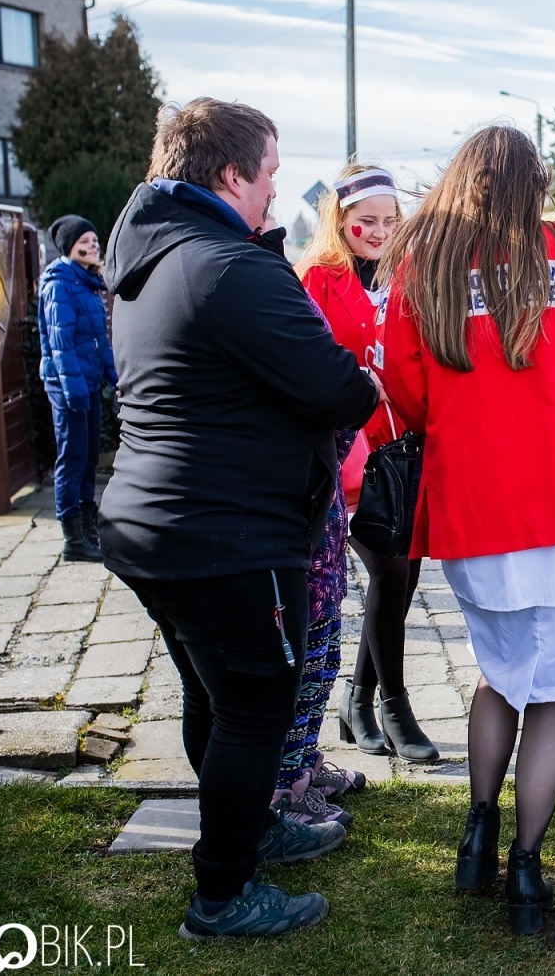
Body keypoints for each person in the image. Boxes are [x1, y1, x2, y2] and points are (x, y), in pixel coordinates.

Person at [99, 98, 379, 940]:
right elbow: (341, 388)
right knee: (256, 711)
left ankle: (253, 830)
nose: (275, 192)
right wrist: (357, 386)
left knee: (216, 700)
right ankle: (222, 895)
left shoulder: (150, 254)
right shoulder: (227, 265)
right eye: (269, 174)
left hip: (155, 523)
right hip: (227, 534)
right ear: (230, 175)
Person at [377, 125, 555, 936]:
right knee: (550, 697)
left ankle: (476, 835)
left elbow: (405, 395)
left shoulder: (425, 265)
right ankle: (526, 870)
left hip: (476, 508)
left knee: (499, 674)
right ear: (537, 182)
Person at [297, 165, 439, 764]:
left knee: (404, 574)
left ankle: (357, 702)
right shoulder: (316, 279)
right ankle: (394, 705)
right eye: (366, 221)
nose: (379, 232)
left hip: (404, 446)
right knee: (389, 568)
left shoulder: (410, 274)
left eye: (389, 220)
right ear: (341, 221)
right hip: (348, 450)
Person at [38, 214, 115, 563]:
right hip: (68, 387)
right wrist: (74, 392)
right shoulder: (59, 285)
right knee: (72, 458)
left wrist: (117, 379)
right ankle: (73, 539)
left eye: (94, 240)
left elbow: (100, 341)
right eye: (84, 241)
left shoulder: (88, 284)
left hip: (87, 383)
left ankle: (88, 526)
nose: (92, 246)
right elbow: (61, 345)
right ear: (69, 247)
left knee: (88, 457)